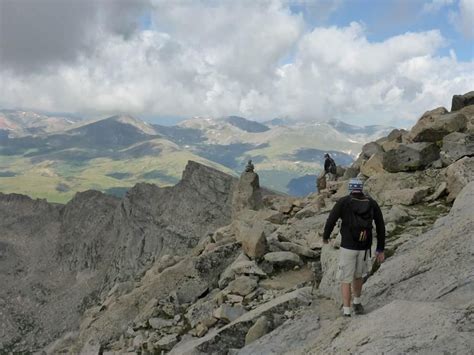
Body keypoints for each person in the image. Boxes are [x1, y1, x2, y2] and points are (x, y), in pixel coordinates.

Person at [322, 178, 386, 317]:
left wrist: (325, 237)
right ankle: (357, 302)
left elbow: (331, 219)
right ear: (361, 188)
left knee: (345, 278)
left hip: (348, 246)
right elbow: (380, 226)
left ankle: (346, 310)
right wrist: (380, 248)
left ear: (350, 189)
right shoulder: (372, 203)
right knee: (358, 275)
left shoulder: (343, 202)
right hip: (364, 247)